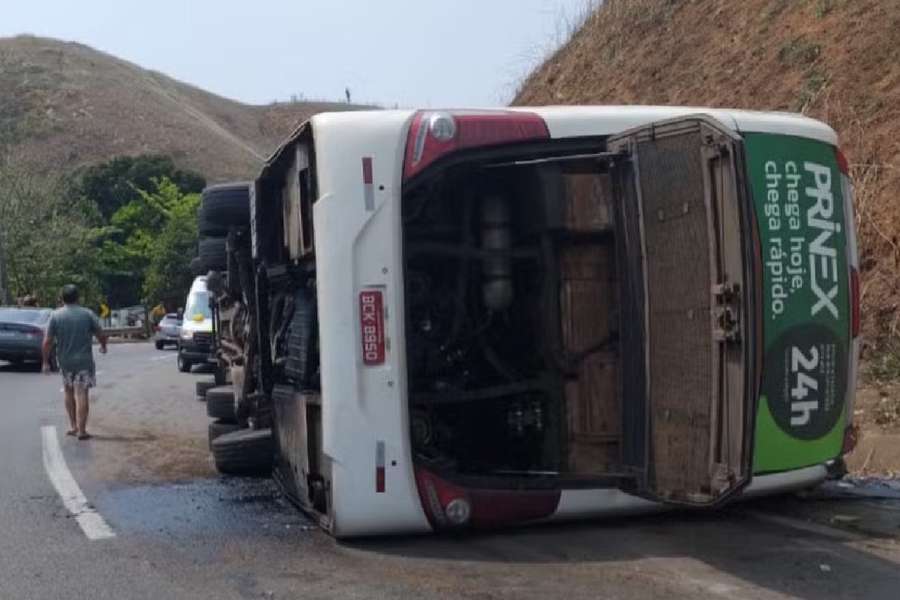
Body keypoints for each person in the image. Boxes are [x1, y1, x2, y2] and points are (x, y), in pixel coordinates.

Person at [42, 284, 108, 440]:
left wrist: (45, 362)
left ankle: (73, 426)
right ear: (78, 298)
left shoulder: (55, 316)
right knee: (82, 392)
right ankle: (82, 430)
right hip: (84, 361)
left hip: (65, 361)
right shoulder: (87, 314)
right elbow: (101, 333)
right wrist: (103, 346)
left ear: (62, 298)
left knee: (68, 391)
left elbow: (47, 341)